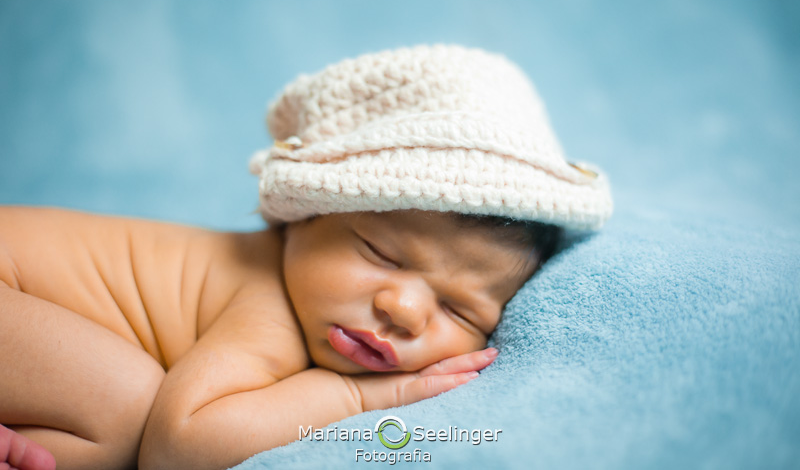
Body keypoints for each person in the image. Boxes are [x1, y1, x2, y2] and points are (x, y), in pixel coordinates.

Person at [0, 45, 612, 470]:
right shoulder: (266, 306)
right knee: (127, 409)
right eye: (382, 254)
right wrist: (357, 400)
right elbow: (178, 446)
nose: (403, 310)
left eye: (459, 310)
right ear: (304, 216)